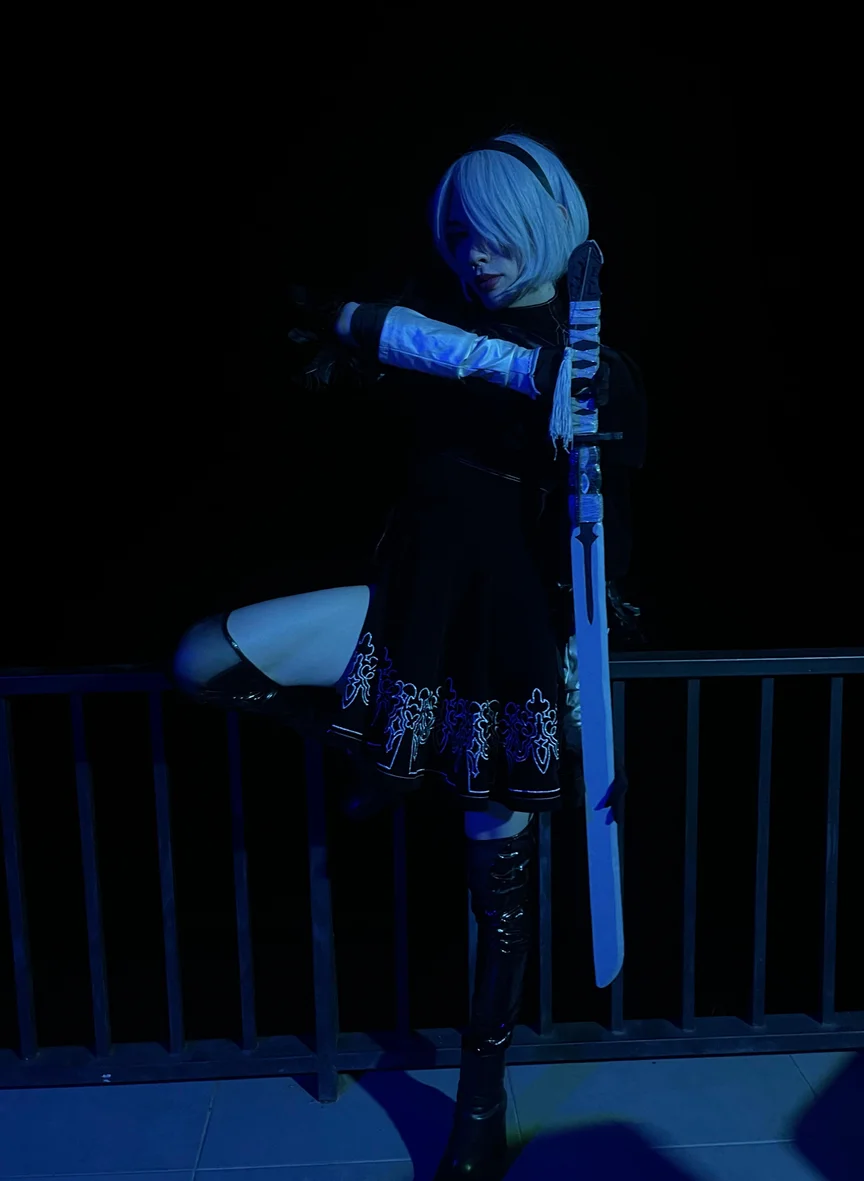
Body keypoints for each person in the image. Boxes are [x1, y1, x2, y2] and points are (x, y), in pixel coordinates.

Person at [173, 132, 644, 1180]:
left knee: (497, 887)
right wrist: (356, 334)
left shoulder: (591, 366)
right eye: (461, 234)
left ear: (544, 227)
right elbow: (407, 353)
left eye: (497, 234)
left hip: (507, 649)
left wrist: (580, 403)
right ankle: (371, 748)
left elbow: (608, 495)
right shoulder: (438, 333)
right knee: (204, 657)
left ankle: (481, 1096)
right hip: (405, 616)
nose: (478, 255)